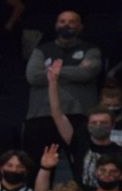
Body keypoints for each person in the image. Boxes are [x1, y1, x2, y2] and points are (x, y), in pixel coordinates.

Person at [45, 61, 122, 191]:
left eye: (103, 122)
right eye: (94, 122)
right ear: (88, 124)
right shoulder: (79, 142)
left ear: (112, 125)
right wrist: (53, 82)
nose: (98, 125)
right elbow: (57, 114)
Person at [23, 11, 102, 159]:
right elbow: (33, 76)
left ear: (80, 26)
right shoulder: (42, 50)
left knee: (83, 164)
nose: (66, 24)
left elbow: (87, 73)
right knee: (39, 166)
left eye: (72, 22)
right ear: (56, 25)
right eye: (62, 21)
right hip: (42, 115)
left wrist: (54, 71)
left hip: (79, 115)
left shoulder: (91, 50)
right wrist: (74, 70)